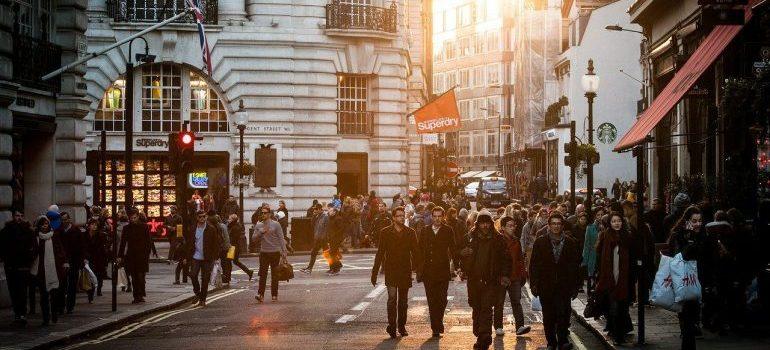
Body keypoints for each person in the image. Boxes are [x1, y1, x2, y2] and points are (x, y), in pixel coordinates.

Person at [458, 210, 511, 350]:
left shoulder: (498, 239)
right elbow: (461, 255)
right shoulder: (469, 237)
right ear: (478, 224)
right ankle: (479, 332)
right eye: (482, 223)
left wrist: (505, 275)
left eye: (487, 223)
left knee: (487, 308)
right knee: (476, 307)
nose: (485, 226)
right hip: (474, 280)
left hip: (491, 281)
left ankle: (485, 336)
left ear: (491, 224)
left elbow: (506, 259)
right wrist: (462, 260)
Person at [529, 211, 582, 350]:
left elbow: (575, 265)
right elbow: (534, 264)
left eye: (559, 224)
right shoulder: (541, 242)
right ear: (549, 225)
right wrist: (534, 284)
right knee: (548, 316)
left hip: (564, 286)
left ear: (562, 225)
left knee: (564, 314)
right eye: (553, 224)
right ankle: (551, 342)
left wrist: (576, 286)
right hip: (546, 286)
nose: (556, 226)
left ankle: (563, 340)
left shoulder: (570, 243)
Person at [371, 206, 419, 338]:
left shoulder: (410, 232)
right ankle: (392, 326)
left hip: (404, 270)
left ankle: (402, 326)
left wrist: (419, 270)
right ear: (393, 218)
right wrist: (374, 273)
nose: (401, 218)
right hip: (391, 270)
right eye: (398, 216)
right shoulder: (385, 232)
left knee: (403, 301)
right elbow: (380, 253)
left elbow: (416, 253)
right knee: (392, 299)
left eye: (402, 216)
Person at [666, 205, 705, 350]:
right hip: (682, 281)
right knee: (687, 321)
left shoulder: (702, 235)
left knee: (692, 320)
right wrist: (690, 239)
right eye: (694, 221)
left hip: (697, 281)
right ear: (687, 221)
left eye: (700, 220)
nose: (698, 224)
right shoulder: (680, 235)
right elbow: (679, 257)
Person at [595, 212, 636, 345]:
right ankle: (616, 335)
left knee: (623, 309)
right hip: (610, 279)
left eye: (619, 221)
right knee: (614, 309)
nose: (617, 223)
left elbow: (633, 258)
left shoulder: (628, 237)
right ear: (610, 223)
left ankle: (620, 336)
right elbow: (600, 257)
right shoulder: (605, 236)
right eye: (614, 221)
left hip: (624, 280)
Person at [416, 206, 457, 337]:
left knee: (442, 299)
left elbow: (453, 249)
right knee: (432, 300)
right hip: (428, 271)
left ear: (443, 217)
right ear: (431, 217)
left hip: (443, 271)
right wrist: (418, 268)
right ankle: (436, 327)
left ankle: (438, 321)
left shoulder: (448, 230)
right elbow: (419, 250)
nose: (437, 219)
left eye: (440, 216)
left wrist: (457, 266)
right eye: (435, 216)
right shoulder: (425, 231)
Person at [495, 216, 531, 337]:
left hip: (515, 277)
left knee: (516, 301)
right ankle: (498, 326)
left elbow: (520, 259)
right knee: (499, 302)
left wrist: (523, 274)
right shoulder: (498, 241)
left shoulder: (516, 241)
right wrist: (499, 276)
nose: (512, 228)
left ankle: (520, 326)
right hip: (502, 277)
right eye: (509, 226)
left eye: (514, 225)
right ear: (503, 227)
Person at [0, 210, 36, 326]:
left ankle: (22, 314)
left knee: (22, 291)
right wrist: (5, 259)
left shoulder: (28, 231)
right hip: (11, 266)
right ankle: (17, 313)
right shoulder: (6, 231)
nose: (19, 218)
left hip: (23, 267)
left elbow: (34, 247)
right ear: (13, 217)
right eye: (17, 216)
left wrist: (29, 260)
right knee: (13, 291)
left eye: (21, 216)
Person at [30, 216, 66, 326]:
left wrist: (63, 261)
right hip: (41, 270)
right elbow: (33, 252)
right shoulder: (36, 237)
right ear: (39, 226)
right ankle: (45, 318)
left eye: (46, 224)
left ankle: (54, 314)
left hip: (53, 269)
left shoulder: (54, 236)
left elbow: (60, 250)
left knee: (54, 295)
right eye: (42, 224)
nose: (45, 226)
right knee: (43, 296)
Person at [184, 210, 221, 307]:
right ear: (197, 218)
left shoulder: (211, 229)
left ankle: (203, 300)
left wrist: (215, 257)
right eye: (200, 217)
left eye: (204, 216)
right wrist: (186, 257)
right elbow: (189, 244)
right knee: (193, 275)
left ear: (206, 217)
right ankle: (197, 293)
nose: (202, 218)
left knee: (205, 279)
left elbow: (216, 244)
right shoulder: (193, 229)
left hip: (207, 258)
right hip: (195, 257)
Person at [253, 208, 288, 303]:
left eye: (265, 213)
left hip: (275, 253)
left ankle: (274, 295)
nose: (263, 214)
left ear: (269, 214)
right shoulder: (259, 225)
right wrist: (260, 232)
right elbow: (253, 239)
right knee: (263, 275)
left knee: (274, 275)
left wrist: (284, 252)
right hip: (264, 253)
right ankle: (260, 294)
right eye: (262, 213)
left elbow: (281, 238)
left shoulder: (276, 224)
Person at [118, 208, 153, 304]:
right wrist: (120, 255)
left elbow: (148, 242)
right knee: (134, 277)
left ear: (138, 216)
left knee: (141, 276)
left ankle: (141, 294)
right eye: (131, 218)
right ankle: (136, 296)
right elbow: (123, 243)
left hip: (142, 255)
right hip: (131, 256)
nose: (133, 219)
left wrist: (147, 253)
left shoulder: (144, 227)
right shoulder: (127, 228)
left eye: (134, 217)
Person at [58, 211, 86, 314]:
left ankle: (70, 305)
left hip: (74, 261)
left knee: (72, 285)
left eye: (65, 219)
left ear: (69, 219)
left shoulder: (76, 231)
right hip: (62, 262)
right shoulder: (59, 231)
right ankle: (60, 306)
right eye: (62, 220)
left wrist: (81, 260)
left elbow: (82, 247)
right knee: (61, 285)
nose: (64, 221)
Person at [84, 218, 107, 302]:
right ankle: (90, 295)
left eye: (96, 225)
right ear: (89, 226)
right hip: (89, 259)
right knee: (90, 276)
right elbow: (83, 247)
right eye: (92, 224)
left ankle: (99, 289)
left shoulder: (100, 235)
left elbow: (102, 248)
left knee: (98, 276)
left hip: (99, 258)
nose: (94, 226)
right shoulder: (85, 235)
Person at [300, 204, 328, 274]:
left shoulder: (325, 216)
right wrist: (314, 215)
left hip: (323, 239)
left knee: (327, 254)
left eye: (315, 209)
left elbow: (327, 228)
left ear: (319, 209)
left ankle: (334, 267)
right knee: (314, 253)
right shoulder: (317, 216)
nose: (314, 210)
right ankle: (309, 268)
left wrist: (324, 238)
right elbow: (313, 225)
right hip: (318, 238)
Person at [582, 207, 605, 291]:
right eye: (598, 215)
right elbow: (587, 244)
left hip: (603, 255)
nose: (600, 217)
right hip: (593, 255)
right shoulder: (590, 227)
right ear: (595, 216)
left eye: (602, 214)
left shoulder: (607, 228)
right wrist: (585, 260)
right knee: (591, 277)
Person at [226, 214, 253, 281]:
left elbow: (233, 238)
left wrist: (228, 243)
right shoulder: (233, 226)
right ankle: (249, 272)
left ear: (233, 220)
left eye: (229, 219)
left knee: (229, 262)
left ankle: (228, 276)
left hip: (233, 247)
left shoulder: (235, 227)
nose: (228, 220)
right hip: (234, 246)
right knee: (235, 261)